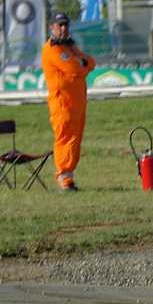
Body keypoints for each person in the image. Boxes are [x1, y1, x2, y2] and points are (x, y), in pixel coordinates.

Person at [42, 13, 94, 194]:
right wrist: (81, 64)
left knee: (75, 140)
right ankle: (63, 176)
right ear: (52, 27)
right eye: (60, 25)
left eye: (65, 25)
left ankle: (69, 177)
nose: (64, 28)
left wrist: (81, 64)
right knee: (64, 138)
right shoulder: (51, 49)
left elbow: (91, 62)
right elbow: (73, 68)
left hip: (78, 104)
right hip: (62, 104)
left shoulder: (70, 47)